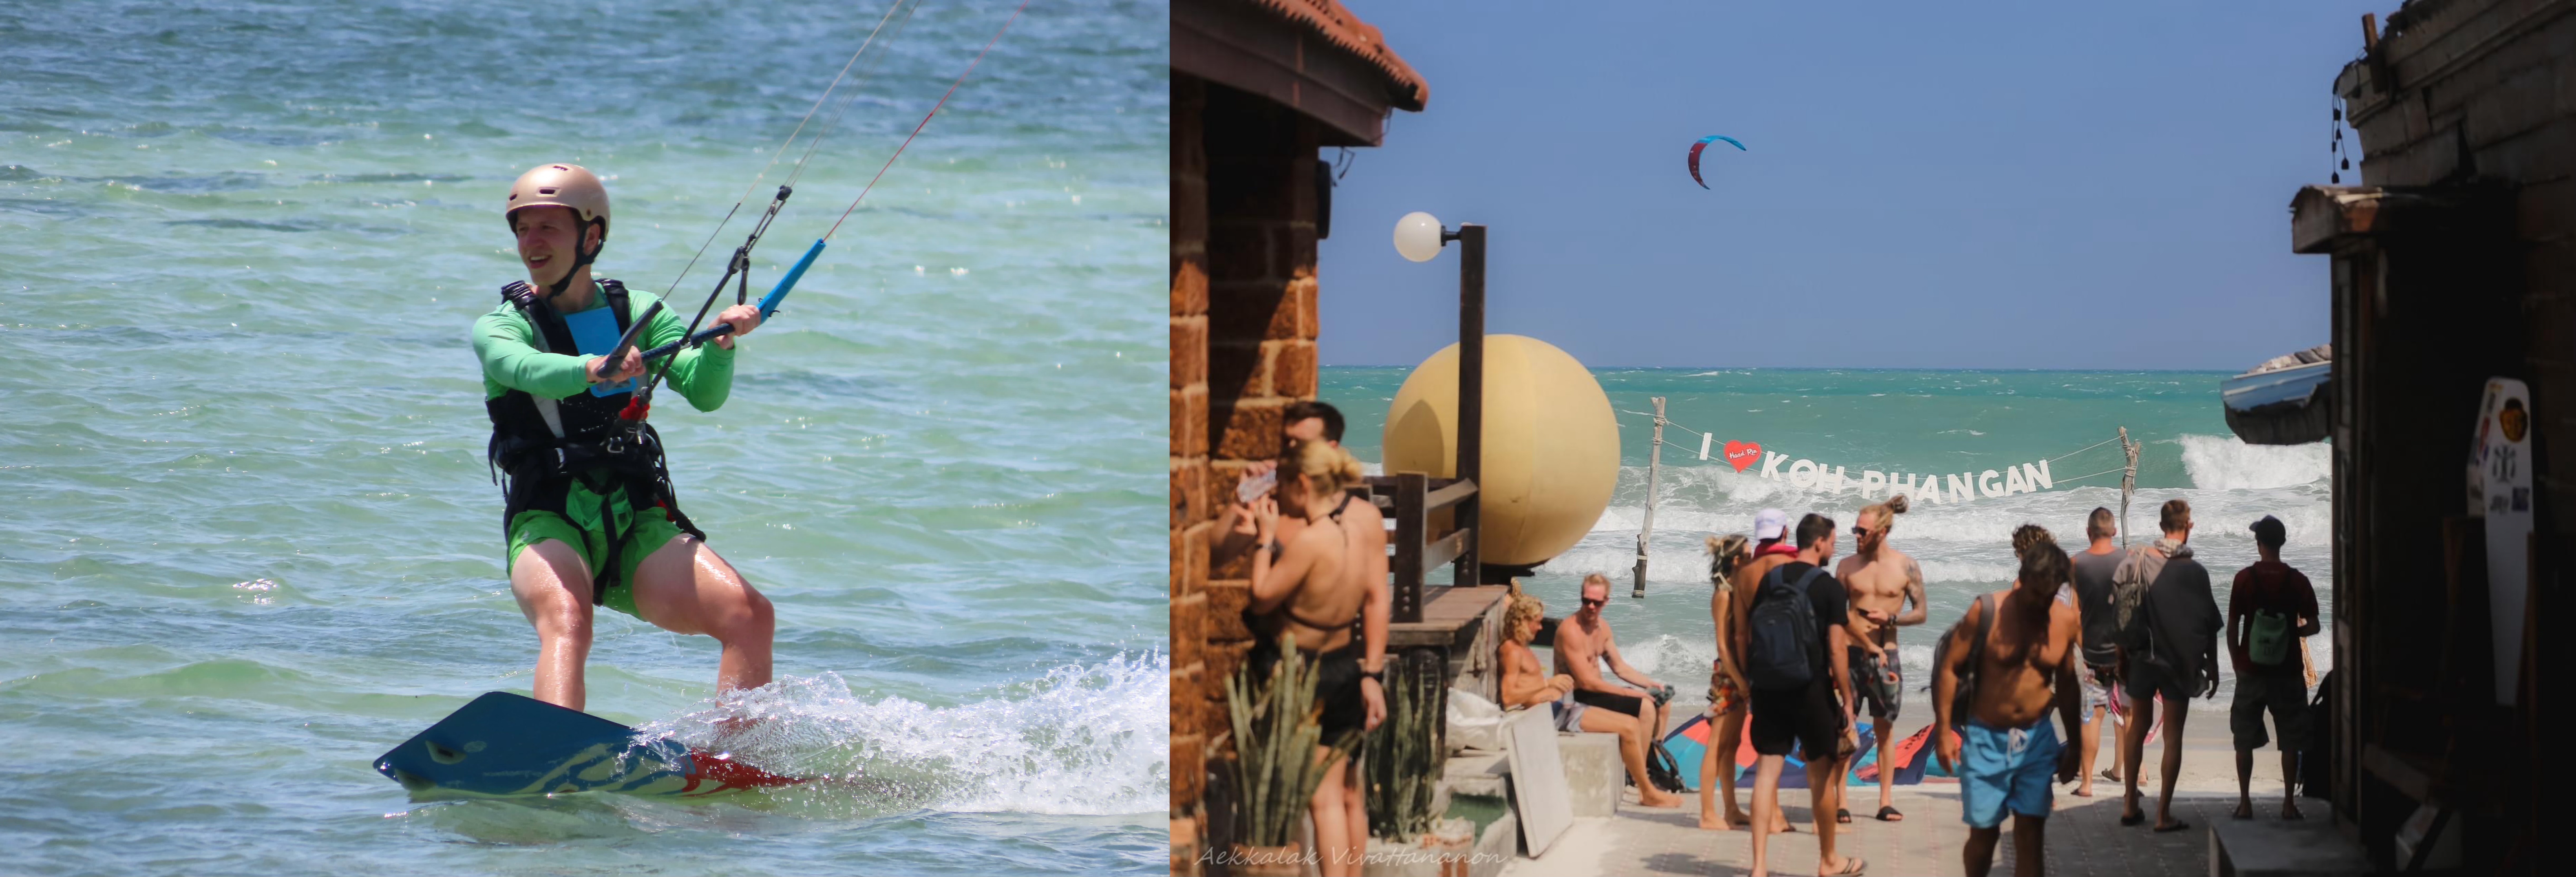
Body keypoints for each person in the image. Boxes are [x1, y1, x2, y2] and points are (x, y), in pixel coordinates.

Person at [474, 163, 775, 714]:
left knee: (749, 614)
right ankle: (557, 747)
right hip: (549, 515)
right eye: (523, 229)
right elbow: (519, 366)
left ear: (592, 237)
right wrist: (592, 369)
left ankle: (737, 764)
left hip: (634, 515)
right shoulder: (502, 325)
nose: (531, 243)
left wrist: (722, 346)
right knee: (569, 621)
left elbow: (704, 393)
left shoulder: (636, 312)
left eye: (549, 228)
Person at [1245, 438, 1384, 877]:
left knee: (1322, 802)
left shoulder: (1311, 540)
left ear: (1303, 484)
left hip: (1305, 671)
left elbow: (1262, 598)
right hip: (1345, 665)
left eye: (1284, 485)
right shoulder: (1353, 535)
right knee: (1337, 796)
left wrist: (1265, 541)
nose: (1280, 495)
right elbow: (1370, 596)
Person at [1931, 543, 2085, 877]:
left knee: (2031, 836)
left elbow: (2070, 686)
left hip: (2036, 740)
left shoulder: (2064, 620)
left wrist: (2076, 746)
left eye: (2049, 596)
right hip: (1986, 737)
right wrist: (1943, 733)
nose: (2041, 604)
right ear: (2022, 578)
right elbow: (1949, 668)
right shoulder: (1986, 610)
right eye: (2036, 594)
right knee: (1984, 836)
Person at [1736, 514, 1869, 877]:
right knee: (1820, 778)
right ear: (1819, 543)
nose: (1835, 547)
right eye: (1832, 541)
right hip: (1810, 688)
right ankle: (1829, 861)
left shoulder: (1770, 579)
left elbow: (1748, 633)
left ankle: (1760, 868)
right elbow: (1839, 650)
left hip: (1768, 686)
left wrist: (1753, 679)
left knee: (1767, 774)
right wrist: (1846, 699)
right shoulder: (1828, 587)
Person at [2115, 499, 2222, 833]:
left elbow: (2122, 611)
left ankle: (2131, 803)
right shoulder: (2196, 572)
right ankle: (2163, 815)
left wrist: (2120, 655)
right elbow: (2208, 625)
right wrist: (2214, 666)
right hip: (2181, 660)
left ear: (2162, 525)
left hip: (2143, 658)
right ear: (2188, 527)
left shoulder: (2139, 560)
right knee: (2173, 734)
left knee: (2138, 726)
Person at [1833, 495, 1925, 822]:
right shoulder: (1846, 567)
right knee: (1845, 727)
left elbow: (1922, 613)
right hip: (1849, 654)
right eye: (1855, 530)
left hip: (1886, 655)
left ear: (1882, 532)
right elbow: (1834, 616)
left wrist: (1892, 619)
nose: (1856, 536)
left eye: (1862, 531)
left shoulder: (1906, 566)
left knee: (1884, 729)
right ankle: (1841, 801)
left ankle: (1885, 801)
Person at [1555, 573, 1683, 807]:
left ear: (1607, 601)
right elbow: (1587, 683)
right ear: (1581, 599)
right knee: (1645, 707)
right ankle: (1644, 784)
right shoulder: (1570, 631)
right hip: (1577, 699)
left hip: (1597, 693)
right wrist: (1633, 694)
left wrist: (1650, 685)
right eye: (1586, 601)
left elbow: (1620, 668)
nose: (1591, 607)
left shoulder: (1602, 628)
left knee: (1662, 702)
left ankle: (1648, 765)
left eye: (1597, 602)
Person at [2227, 515, 2319, 821]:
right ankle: (2289, 805)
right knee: (2290, 738)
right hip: (2288, 670)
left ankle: (2245, 803)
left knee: (2244, 738)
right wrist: (2293, 634)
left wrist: (2237, 662)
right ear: (2281, 543)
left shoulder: (2244, 579)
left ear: (2259, 544)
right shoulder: (2298, 581)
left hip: (2251, 670)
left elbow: (2232, 627)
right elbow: (2314, 626)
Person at [1700, 533, 1789, 831]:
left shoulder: (1740, 589)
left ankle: (1731, 809)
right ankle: (1707, 813)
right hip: (1728, 675)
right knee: (1716, 745)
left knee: (1732, 745)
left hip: (1739, 674)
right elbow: (1723, 647)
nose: (1754, 559)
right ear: (1737, 561)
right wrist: (1742, 682)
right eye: (1750, 555)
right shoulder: (1723, 595)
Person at [2066, 507, 2125, 797]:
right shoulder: (2129, 561)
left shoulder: (2076, 563)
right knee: (2129, 715)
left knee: (2092, 717)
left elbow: (2073, 612)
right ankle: (2131, 778)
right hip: (2126, 654)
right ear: (2114, 531)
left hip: (2092, 656)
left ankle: (2087, 783)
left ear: (2088, 532)